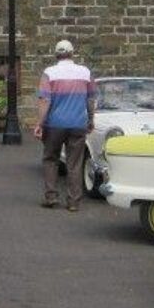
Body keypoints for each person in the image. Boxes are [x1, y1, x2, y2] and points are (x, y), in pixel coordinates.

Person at [33, 40, 96, 211]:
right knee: (74, 163)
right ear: (72, 54)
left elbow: (45, 100)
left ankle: (51, 196)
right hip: (78, 124)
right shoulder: (85, 73)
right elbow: (90, 99)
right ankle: (73, 201)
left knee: (50, 159)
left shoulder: (49, 73)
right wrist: (90, 119)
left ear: (56, 55)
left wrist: (40, 123)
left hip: (54, 124)